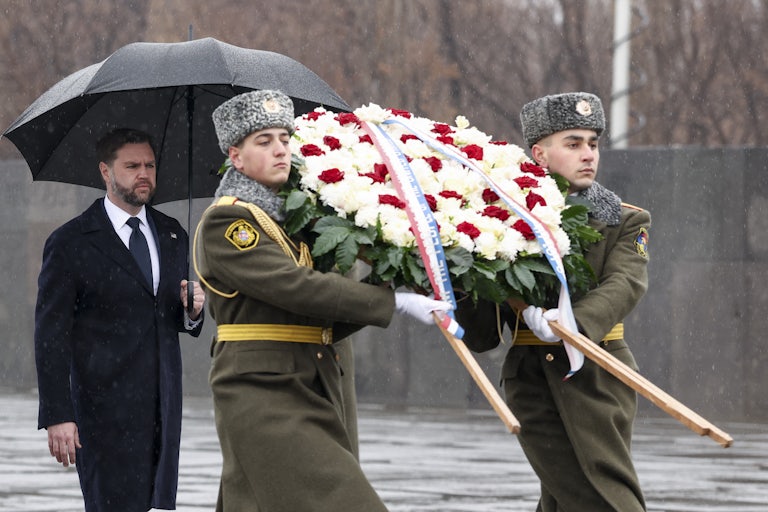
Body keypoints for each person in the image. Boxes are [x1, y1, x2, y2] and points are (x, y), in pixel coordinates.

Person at [196, 89, 452, 511]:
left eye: (284, 138)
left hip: (314, 380)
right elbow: (294, 287)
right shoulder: (230, 220)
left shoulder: (302, 217)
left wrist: (398, 282)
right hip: (262, 389)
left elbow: (322, 313)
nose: (281, 149)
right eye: (264, 141)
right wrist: (392, 304)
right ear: (236, 156)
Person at [456, 92, 651, 511]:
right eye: (573, 143)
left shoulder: (624, 218)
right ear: (540, 154)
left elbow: (625, 283)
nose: (588, 155)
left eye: (593, 143)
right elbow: (483, 331)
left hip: (598, 372)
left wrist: (573, 323)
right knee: (575, 492)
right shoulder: (500, 220)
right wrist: (453, 267)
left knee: (601, 494)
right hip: (531, 378)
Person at [34, 128, 206, 512]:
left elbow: (170, 314)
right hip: (102, 413)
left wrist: (193, 310)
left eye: (149, 165)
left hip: (163, 406)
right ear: (105, 172)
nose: (144, 174)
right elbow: (50, 335)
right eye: (132, 166)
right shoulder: (71, 242)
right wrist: (58, 415)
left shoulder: (173, 233)